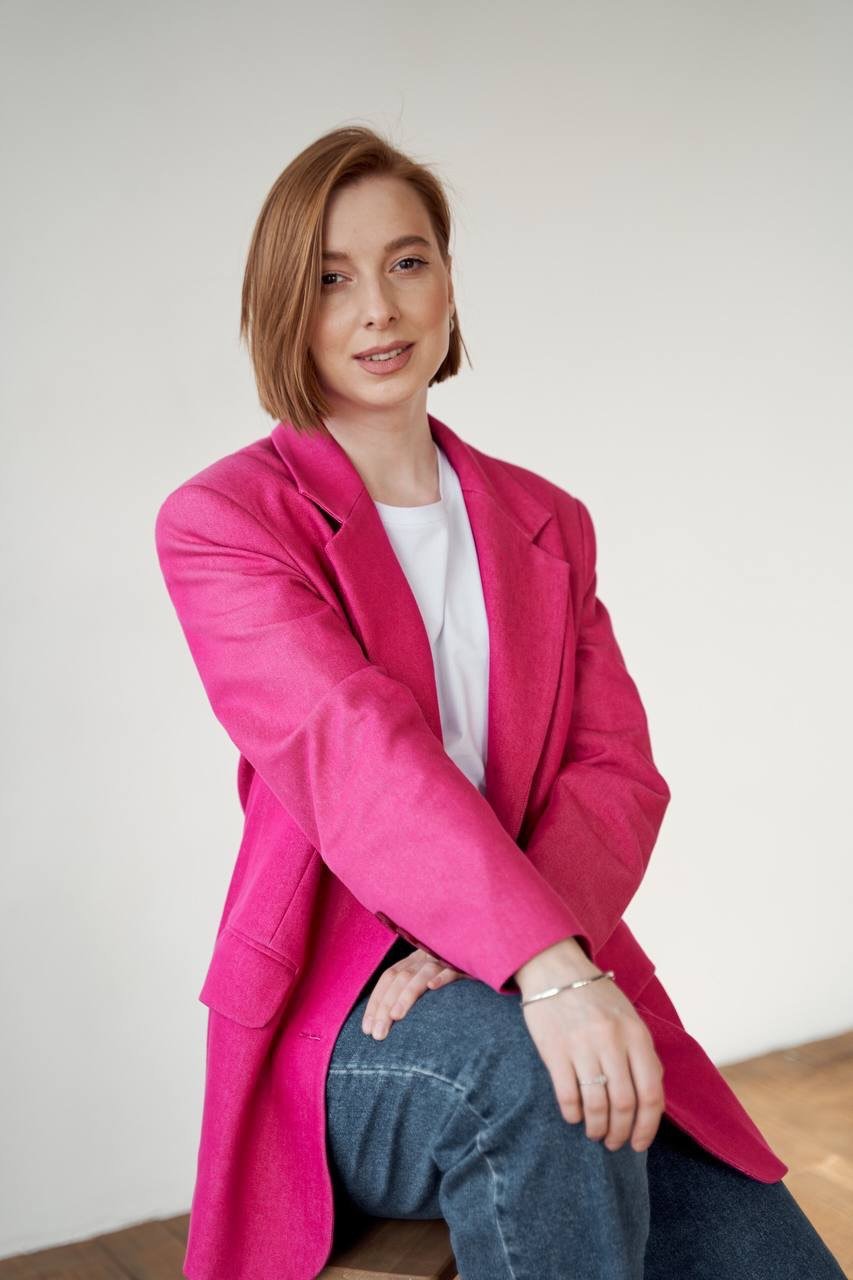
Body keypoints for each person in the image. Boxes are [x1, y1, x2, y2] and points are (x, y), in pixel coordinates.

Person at [154, 125, 846, 1280]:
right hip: (348, 1017)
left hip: (549, 961)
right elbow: (355, 754)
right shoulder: (225, 521)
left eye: (407, 261)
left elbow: (615, 770)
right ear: (283, 304)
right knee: (533, 1079)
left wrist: (530, 954)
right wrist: (538, 963)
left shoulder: (545, 519)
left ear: (448, 279)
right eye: (331, 278)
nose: (378, 308)